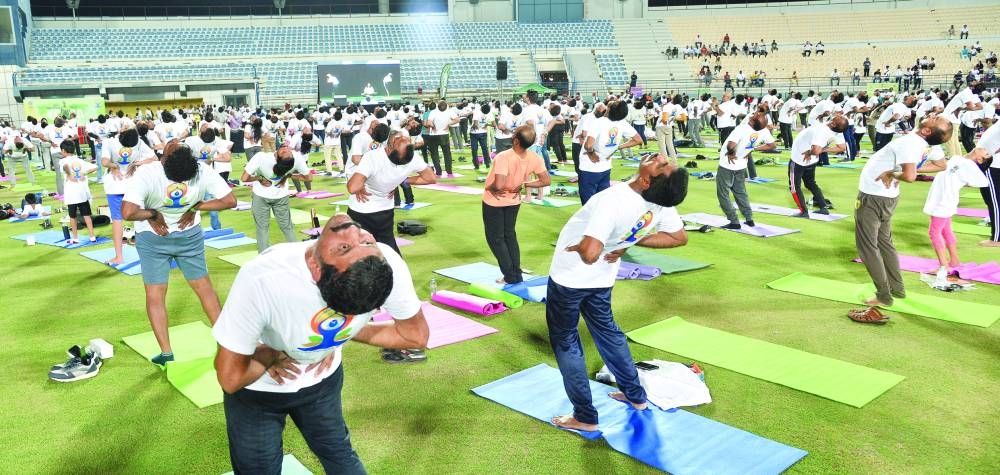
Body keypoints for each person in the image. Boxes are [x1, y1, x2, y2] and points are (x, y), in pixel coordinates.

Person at [213, 213, 429, 474]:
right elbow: (415, 336)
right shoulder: (382, 258)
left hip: (269, 390)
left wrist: (276, 351)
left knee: (317, 458)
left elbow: (230, 378)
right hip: (301, 382)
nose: (355, 233)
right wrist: (327, 341)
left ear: (317, 269)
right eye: (365, 243)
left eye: (345, 248)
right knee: (337, 454)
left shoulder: (262, 276)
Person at [546, 153, 689, 432]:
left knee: (566, 342)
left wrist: (591, 247)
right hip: (602, 279)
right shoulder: (661, 200)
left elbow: (589, 254)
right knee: (609, 334)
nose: (659, 156)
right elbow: (678, 236)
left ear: (647, 180)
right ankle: (636, 397)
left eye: (660, 164)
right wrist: (631, 240)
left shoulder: (614, 199)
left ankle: (585, 416)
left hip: (570, 279)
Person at [122, 140, 237, 364]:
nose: (176, 142)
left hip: (153, 238)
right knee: (205, 291)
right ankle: (228, 347)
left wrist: (153, 215)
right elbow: (230, 201)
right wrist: (196, 206)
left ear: (164, 159)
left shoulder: (148, 172)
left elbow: (127, 212)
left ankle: (167, 353)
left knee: (155, 296)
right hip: (187, 236)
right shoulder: (201, 170)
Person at [854, 116, 952, 313]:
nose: (934, 115)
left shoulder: (910, 142)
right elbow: (942, 165)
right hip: (888, 197)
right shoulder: (927, 144)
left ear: (926, 130)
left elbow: (909, 176)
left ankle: (883, 295)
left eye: (936, 119)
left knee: (867, 247)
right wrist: (909, 169)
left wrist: (893, 173)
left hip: (874, 197)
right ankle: (897, 289)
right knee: (884, 243)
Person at [347, 129, 437, 255]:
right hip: (383, 211)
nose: (402, 137)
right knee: (388, 253)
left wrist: (398, 180)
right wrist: (400, 180)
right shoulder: (413, 157)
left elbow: (352, 187)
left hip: (362, 210)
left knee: (360, 254)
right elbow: (430, 178)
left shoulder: (373, 156)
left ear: (389, 148)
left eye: (402, 139)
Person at [482, 125, 550, 285]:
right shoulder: (534, 157)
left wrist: (489, 187)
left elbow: (498, 185)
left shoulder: (504, 156)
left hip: (494, 202)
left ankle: (510, 276)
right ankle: (515, 274)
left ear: (516, 141)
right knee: (509, 236)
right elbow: (545, 180)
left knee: (496, 239)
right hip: (513, 201)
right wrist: (523, 184)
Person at [917, 148, 989, 284]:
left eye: (985, 154)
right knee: (946, 231)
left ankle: (944, 267)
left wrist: (968, 181)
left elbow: (983, 182)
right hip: (939, 198)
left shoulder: (971, 166)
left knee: (934, 232)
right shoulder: (959, 158)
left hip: (944, 200)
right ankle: (954, 260)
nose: (985, 149)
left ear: (980, 159)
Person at [101, 125, 158, 265]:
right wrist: (136, 163)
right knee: (140, 219)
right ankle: (152, 254)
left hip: (115, 184)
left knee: (117, 220)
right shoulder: (137, 142)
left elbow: (104, 162)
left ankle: (119, 257)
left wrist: (114, 166)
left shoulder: (109, 142)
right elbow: (154, 158)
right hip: (133, 184)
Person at [242, 145, 311, 253]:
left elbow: (244, 178)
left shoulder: (260, 157)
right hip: (279, 196)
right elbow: (309, 178)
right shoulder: (296, 158)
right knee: (287, 228)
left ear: (277, 158)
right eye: (287, 151)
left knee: (262, 228)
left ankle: (263, 258)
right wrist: (288, 175)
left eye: (285, 152)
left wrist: (259, 178)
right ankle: (297, 255)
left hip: (262, 196)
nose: (287, 149)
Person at [717, 111, 776, 229]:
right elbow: (772, 145)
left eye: (756, 115)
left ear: (753, 121)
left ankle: (734, 221)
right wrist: (753, 148)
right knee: (741, 193)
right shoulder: (763, 131)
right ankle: (749, 219)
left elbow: (731, 145)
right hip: (742, 165)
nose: (755, 113)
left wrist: (731, 153)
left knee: (723, 194)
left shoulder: (742, 129)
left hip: (727, 165)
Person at [581, 99, 642, 204]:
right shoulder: (622, 123)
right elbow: (638, 140)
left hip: (589, 167)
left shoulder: (598, 122)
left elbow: (588, 145)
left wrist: (591, 154)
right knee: (602, 201)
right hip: (606, 167)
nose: (614, 100)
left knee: (588, 203)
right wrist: (617, 147)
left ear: (609, 109)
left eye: (615, 101)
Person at [789, 116, 848, 218]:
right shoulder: (837, 131)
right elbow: (842, 147)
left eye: (836, 118)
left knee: (794, 187)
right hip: (812, 160)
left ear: (833, 124)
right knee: (811, 183)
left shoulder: (822, 130)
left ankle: (803, 212)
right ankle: (823, 207)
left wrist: (812, 152)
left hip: (799, 159)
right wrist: (823, 150)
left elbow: (816, 150)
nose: (836, 116)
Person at [58, 141, 98, 244]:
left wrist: (69, 174)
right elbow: (95, 166)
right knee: (87, 215)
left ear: (63, 150)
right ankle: (92, 236)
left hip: (71, 193)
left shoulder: (62, 161)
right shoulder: (80, 160)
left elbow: (65, 167)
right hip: (82, 193)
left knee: (72, 216)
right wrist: (83, 173)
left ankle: (75, 238)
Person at [975, 121, 1000, 246]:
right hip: (991, 163)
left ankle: (997, 238)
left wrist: (992, 153)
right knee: (994, 201)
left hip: (992, 165)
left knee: (994, 202)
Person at [424, 100, 458, 177]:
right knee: (447, 154)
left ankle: (438, 171)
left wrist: (433, 126)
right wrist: (448, 124)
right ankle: (449, 171)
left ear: (437, 106)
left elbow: (428, 123)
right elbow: (457, 119)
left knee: (434, 154)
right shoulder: (449, 111)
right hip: (444, 135)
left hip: (434, 135)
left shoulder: (433, 112)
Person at [655, 95, 682, 162]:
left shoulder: (667, 106)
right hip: (670, 126)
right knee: (670, 144)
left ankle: (665, 161)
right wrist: (673, 119)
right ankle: (674, 161)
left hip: (661, 126)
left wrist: (665, 121)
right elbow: (683, 118)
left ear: (673, 98)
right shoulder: (678, 107)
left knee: (662, 145)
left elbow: (664, 119)